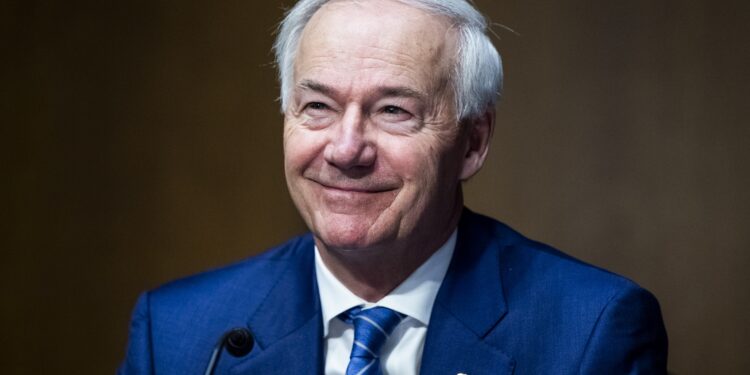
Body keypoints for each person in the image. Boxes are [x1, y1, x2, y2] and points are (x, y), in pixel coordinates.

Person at [118, 0, 668, 373]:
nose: (345, 149)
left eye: (393, 110)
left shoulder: (589, 333)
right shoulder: (177, 334)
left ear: (473, 143)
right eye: (317, 107)